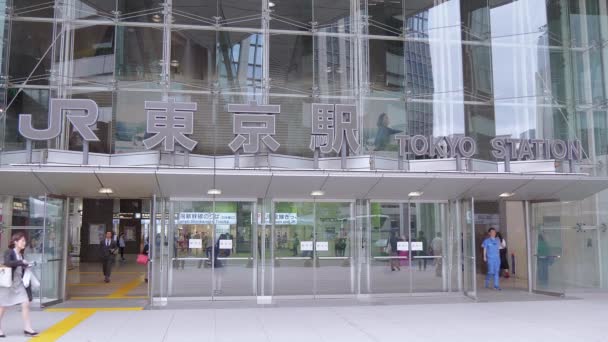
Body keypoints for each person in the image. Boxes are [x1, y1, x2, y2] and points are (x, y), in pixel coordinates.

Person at [0, 233, 38, 337]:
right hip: (8, 283)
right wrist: (21, 262)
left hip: (18, 283)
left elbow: (19, 266)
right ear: (15, 242)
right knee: (3, 306)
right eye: (22, 241)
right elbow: (8, 263)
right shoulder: (9, 252)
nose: (24, 243)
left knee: (25, 303)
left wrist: (27, 265)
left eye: (25, 241)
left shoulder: (21, 254)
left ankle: (27, 328)